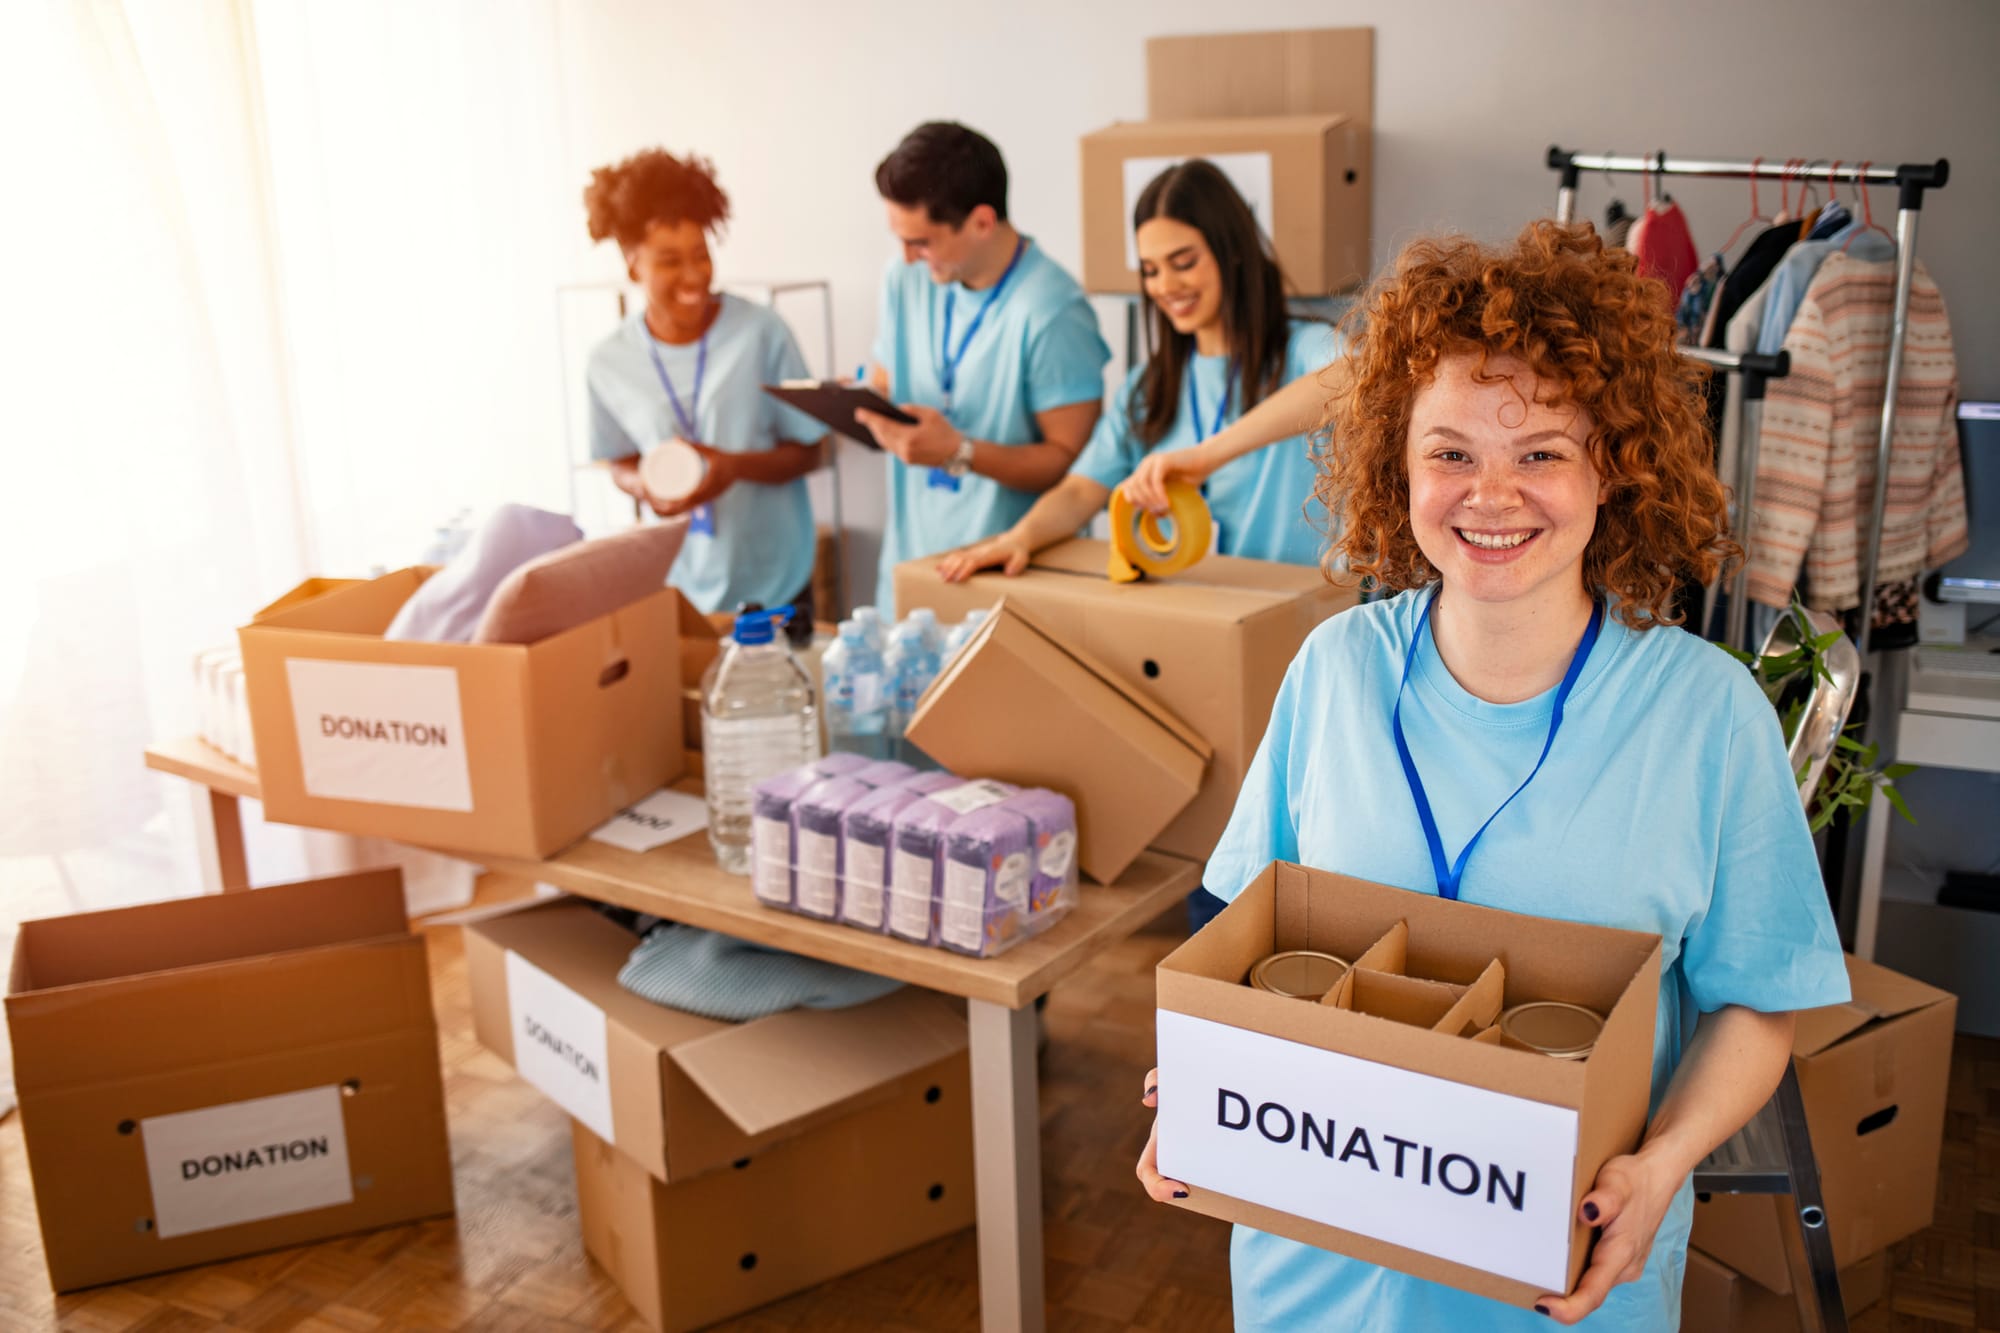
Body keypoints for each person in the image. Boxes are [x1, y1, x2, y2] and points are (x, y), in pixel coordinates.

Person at [1134, 220, 1849, 1331]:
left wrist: (1663, 1163)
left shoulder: (1704, 714)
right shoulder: (1333, 670)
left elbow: (1757, 1001)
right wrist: (1194, 1077)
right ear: (1396, 462)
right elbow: (1247, 937)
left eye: (1540, 453)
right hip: (1315, 1278)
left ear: (1612, 464)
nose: (1490, 494)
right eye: (1450, 451)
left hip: (1557, 1281)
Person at [935, 158, 1341, 584]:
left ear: (1233, 252)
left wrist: (1207, 457)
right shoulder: (1148, 390)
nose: (1165, 286)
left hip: (1300, 619)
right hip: (1195, 620)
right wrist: (1020, 538)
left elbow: (1355, 376)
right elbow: (1079, 492)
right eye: (1151, 270)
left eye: (1183, 262)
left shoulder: (1303, 352)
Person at [856, 121, 1111, 613]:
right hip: (910, 573)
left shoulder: (1053, 313)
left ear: (981, 222)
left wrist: (960, 451)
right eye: (901, 240)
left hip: (1007, 586)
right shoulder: (905, 279)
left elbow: (1073, 468)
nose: (908, 258)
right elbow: (888, 371)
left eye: (922, 242)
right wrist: (858, 397)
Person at [583, 147, 830, 644]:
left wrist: (732, 467)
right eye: (670, 261)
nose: (694, 276)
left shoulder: (762, 332)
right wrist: (645, 486)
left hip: (775, 574)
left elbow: (810, 451)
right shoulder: (608, 361)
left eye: (702, 255)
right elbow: (618, 462)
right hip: (679, 582)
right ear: (633, 265)